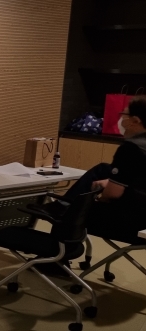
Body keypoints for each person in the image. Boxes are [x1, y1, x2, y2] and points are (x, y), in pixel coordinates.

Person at [31, 97, 146, 236]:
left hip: (129, 220)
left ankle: (55, 251)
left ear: (135, 121)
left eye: (124, 115)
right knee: (103, 169)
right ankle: (62, 206)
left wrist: (102, 196)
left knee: (75, 212)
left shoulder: (131, 149)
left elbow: (113, 194)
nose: (121, 119)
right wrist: (111, 183)